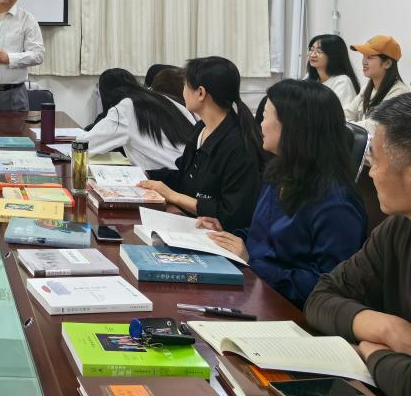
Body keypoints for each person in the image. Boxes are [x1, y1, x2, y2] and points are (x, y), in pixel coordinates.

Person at [198, 79, 366, 307]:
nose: (260, 123)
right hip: (257, 290)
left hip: (288, 311)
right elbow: (262, 236)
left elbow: (326, 287)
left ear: (292, 127)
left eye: (266, 116)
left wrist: (253, 262)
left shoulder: (337, 205)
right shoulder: (279, 173)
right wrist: (226, 236)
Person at [305, 93, 411, 395]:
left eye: (375, 162)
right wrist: (386, 328)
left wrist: (372, 351)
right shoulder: (397, 228)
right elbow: (321, 297)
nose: (371, 173)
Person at [139, 56, 263, 232]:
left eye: (185, 85)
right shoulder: (202, 128)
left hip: (216, 235)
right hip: (187, 222)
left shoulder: (238, 146)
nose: (182, 91)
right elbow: (184, 177)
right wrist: (145, 175)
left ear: (201, 93)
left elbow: (231, 214)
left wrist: (174, 196)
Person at [82, 68, 195, 170]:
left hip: (168, 179)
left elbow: (84, 146)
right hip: (192, 174)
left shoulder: (126, 108)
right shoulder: (166, 100)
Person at [345, 35, 408, 132]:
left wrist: (342, 125)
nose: (364, 62)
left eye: (370, 57)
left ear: (387, 63)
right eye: (364, 56)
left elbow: (375, 126)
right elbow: (347, 112)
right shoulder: (367, 88)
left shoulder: (400, 93)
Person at [306, 33, 360, 107]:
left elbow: (340, 112)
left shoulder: (342, 82)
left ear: (333, 55)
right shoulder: (309, 77)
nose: (312, 55)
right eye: (311, 50)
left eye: (319, 51)